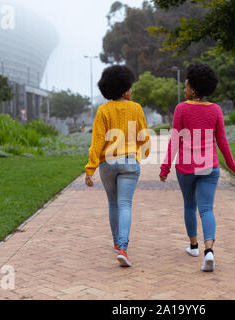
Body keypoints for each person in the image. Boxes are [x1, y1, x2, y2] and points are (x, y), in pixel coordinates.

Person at [159, 63, 235, 272]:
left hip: (186, 167)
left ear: (194, 89)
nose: (184, 90)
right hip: (208, 166)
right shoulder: (215, 110)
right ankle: (209, 251)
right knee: (206, 209)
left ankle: (194, 246)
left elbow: (175, 140)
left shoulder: (182, 108)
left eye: (186, 87)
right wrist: (232, 164)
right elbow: (222, 141)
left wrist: (165, 167)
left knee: (189, 206)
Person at [85, 65, 150, 267]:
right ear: (124, 89)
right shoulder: (136, 108)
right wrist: (142, 150)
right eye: (130, 87)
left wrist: (90, 169)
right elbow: (143, 137)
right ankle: (123, 247)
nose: (132, 91)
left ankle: (116, 243)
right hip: (130, 162)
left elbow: (97, 142)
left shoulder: (103, 110)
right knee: (125, 204)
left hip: (107, 163)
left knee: (113, 204)